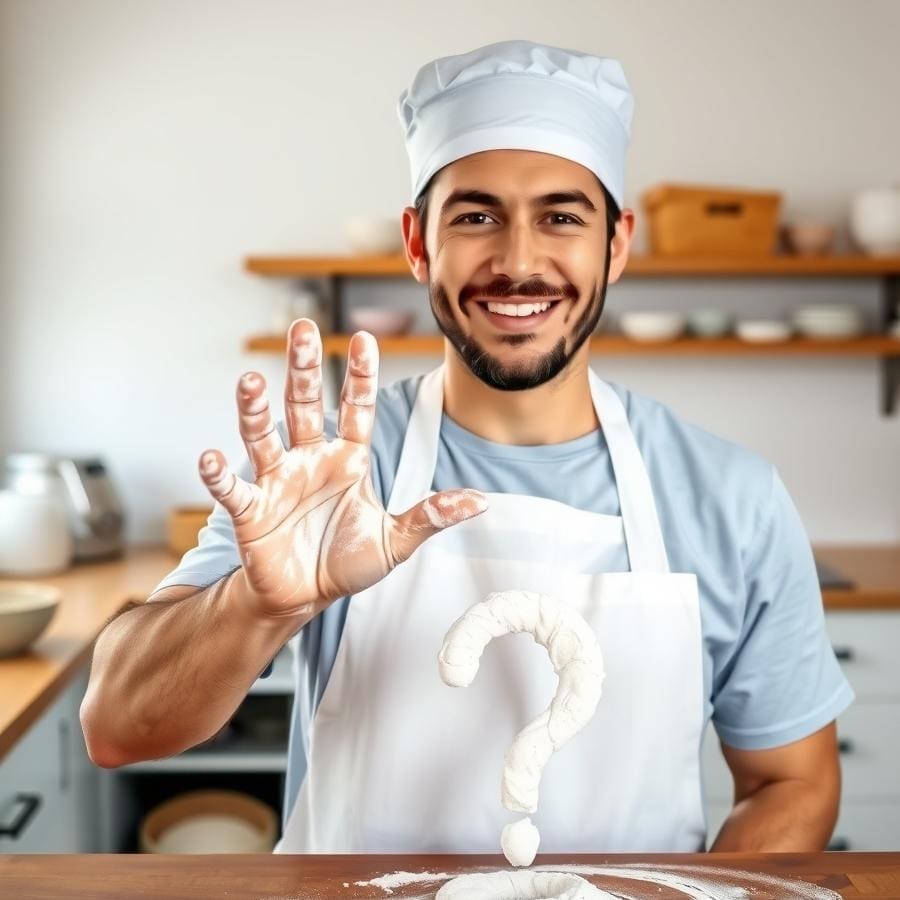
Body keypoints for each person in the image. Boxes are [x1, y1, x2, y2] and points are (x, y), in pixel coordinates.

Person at [81, 39, 853, 854]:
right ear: (418, 244)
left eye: (561, 216)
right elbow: (116, 730)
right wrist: (259, 604)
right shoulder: (330, 475)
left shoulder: (730, 497)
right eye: (476, 216)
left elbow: (793, 784)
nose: (519, 262)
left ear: (617, 245)